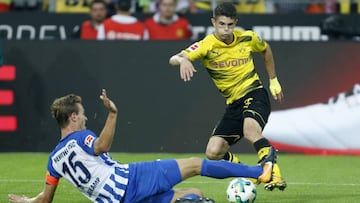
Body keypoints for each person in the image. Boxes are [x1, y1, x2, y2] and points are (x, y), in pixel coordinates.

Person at [8, 89, 276, 203]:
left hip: (117, 200)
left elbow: (45, 200)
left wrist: (26, 200)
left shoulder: (54, 160)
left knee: (192, 194)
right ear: (73, 117)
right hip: (129, 181)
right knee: (196, 165)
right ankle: (261, 172)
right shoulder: (80, 137)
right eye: (83, 112)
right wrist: (113, 114)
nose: (86, 116)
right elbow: (100, 146)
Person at [169, 2, 286, 191]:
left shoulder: (247, 38)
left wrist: (273, 79)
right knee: (213, 152)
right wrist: (183, 59)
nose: (226, 29)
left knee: (250, 130)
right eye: (222, 24)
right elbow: (173, 59)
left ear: (235, 23)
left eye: (230, 25)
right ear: (213, 22)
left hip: (254, 93)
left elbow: (265, 49)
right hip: (233, 104)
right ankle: (251, 172)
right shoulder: (206, 45)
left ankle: (274, 174)